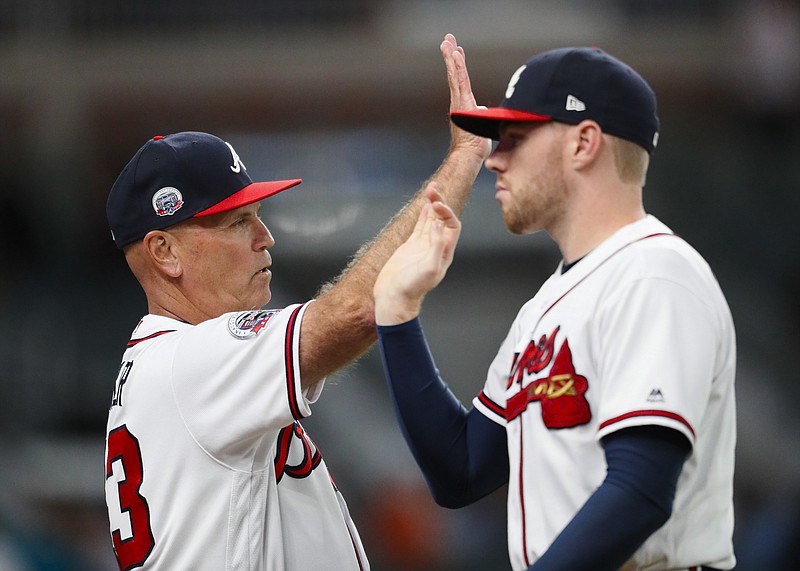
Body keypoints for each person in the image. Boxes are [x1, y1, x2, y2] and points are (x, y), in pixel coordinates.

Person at [102, 34, 489, 571]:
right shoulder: (187, 363)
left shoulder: (175, 367)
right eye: (238, 222)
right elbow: (355, 311)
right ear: (164, 251)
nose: (266, 237)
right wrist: (464, 159)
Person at [374, 46, 736, 570]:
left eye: (516, 139)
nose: (495, 158)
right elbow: (462, 469)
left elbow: (640, 490)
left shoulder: (655, 272)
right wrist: (398, 311)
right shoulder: (545, 306)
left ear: (584, 143)